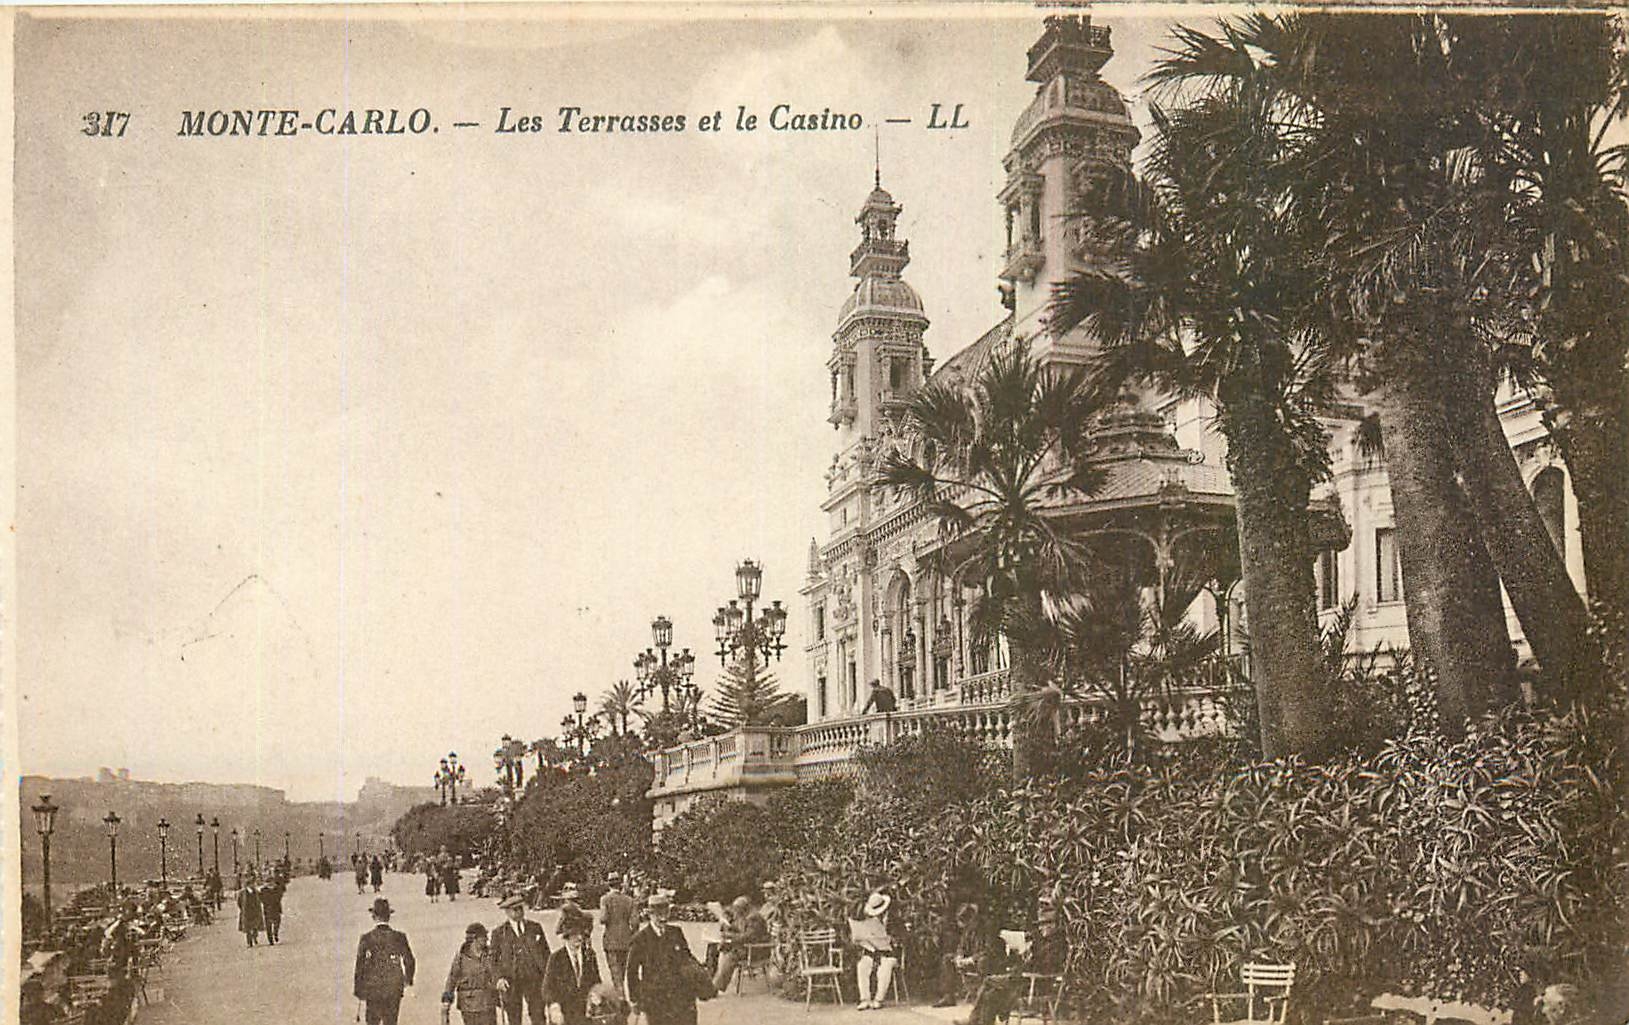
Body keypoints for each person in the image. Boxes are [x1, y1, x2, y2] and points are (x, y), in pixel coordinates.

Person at [626, 891, 707, 1025]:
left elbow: (687, 957)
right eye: (658, 915)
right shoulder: (640, 939)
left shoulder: (676, 932)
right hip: (655, 998)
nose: (662, 919)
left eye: (665, 914)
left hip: (680, 994)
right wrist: (634, 999)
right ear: (650, 914)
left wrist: (700, 972)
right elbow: (632, 971)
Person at [353, 898, 416, 1025]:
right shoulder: (399, 937)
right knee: (391, 1021)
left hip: (373, 986)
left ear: (373, 916)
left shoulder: (366, 938)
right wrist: (407, 980)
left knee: (372, 1021)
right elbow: (409, 960)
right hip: (393, 986)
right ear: (389, 917)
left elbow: (360, 965)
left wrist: (359, 989)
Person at [491, 892, 550, 1025]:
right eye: (515, 909)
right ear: (507, 912)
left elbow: (546, 953)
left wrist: (548, 975)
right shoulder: (499, 933)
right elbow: (493, 960)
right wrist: (499, 978)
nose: (519, 912)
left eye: (521, 908)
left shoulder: (535, 928)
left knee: (538, 1015)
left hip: (534, 978)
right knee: (514, 1017)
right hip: (511, 981)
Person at [543, 906, 603, 1025]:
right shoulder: (556, 958)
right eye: (574, 935)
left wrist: (596, 995)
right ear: (566, 937)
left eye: (581, 934)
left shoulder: (589, 955)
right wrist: (554, 1006)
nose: (579, 938)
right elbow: (547, 988)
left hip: (585, 1013)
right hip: (564, 1014)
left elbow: (596, 981)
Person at [934, 902, 993, 1007]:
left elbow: (989, 950)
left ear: (972, 919)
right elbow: (962, 946)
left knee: (983, 961)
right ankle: (949, 996)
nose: (965, 926)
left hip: (986, 960)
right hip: (971, 959)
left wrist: (971, 959)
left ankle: (983, 997)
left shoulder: (987, 928)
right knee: (947, 959)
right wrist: (959, 956)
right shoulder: (968, 930)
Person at [441, 923, 501, 1025]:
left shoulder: (490, 954)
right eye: (483, 937)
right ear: (474, 939)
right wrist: (446, 1001)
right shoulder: (461, 957)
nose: (487, 939)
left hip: (488, 1002)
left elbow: (497, 973)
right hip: (469, 1005)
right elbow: (452, 979)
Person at [712, 895, 769, 993]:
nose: (735, 912)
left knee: (730, 956)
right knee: (714, 948)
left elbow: (748, 937)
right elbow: (736, 926)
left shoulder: (754, 918)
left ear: (744, 908)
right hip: (746, 947)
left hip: (756, 951)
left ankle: (716, 987)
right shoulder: (744, 916)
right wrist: (725, 925)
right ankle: (710, 980)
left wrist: (730, 937)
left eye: (737, 909)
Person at [853, 887, 898, 1010]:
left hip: (889, 953)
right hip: (872, 952)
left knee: (885, 967)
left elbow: (900, 938)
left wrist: (891, 939)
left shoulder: (894, 920)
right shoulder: (868, 922)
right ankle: (865, 999)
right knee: (862, 965)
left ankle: (879, 999)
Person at [599, 872, 636, 996]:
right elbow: (635, 922)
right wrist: (630, 934)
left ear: (609, 884)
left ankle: (621, 1000)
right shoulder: (629, 900)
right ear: (620, 884)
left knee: (616, 975)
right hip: (626, 941)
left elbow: (603, 919)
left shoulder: (605, 899)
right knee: (622, 973)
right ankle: (622, 997)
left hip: (611, 941)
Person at [237, 873, 265, 948]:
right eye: (252, 884)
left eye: (253, 884)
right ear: (248, 885)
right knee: (248, 928)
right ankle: (249, 942)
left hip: (255, 911)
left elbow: (260, 900)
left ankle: (255, 937)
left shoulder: (256, 892)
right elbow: (239, 902)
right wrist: (242, 909)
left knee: (255, 926)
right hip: (247, 912)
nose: (253, 885)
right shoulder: (242, 893)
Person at [261, 876, 286, 945]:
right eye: (268, 883)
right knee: (268, 926)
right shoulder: (263, 890)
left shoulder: (277, 889)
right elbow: (261, 899)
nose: (270, 884)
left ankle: (275, 934)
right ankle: (270, 940)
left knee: (277, 923)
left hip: (276, 908)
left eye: (271, 882)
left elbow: (279, 896)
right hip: (268, 909)